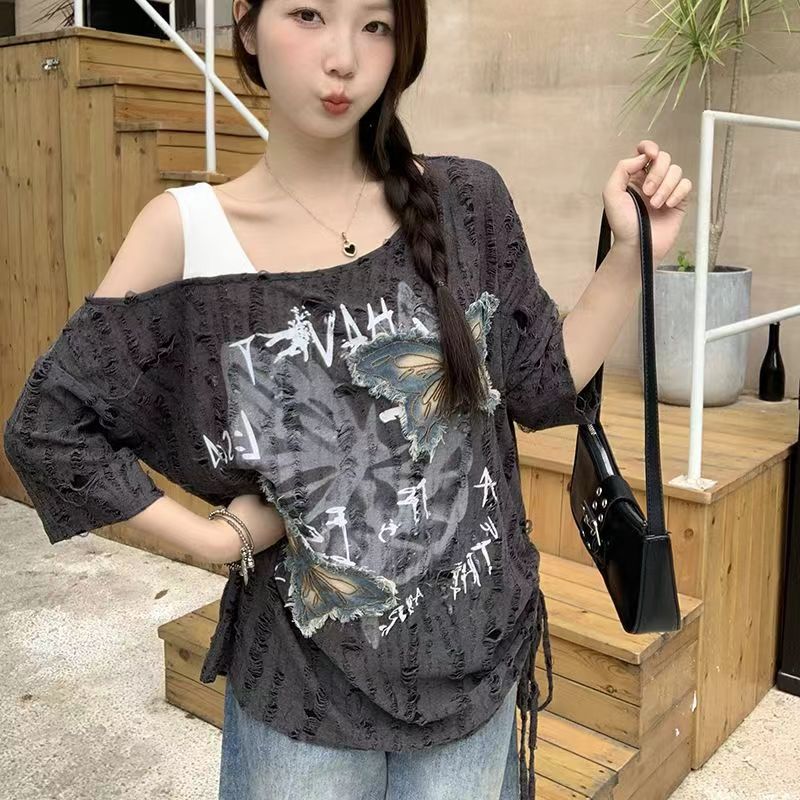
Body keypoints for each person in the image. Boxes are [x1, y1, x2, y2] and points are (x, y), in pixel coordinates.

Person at [3, 1, 692, 798]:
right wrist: (215, 539)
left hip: (474, 671)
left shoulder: (466, 201)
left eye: (376, 25)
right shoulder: (186, 234)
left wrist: (632, 256)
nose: (344, 58)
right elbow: (50, 429)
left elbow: (540, 388)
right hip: (304, 700)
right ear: (247, 25)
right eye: (309, 14)